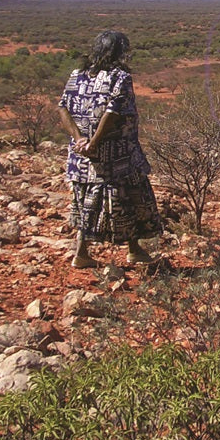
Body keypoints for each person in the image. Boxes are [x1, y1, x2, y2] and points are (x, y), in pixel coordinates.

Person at [57, 30, 162, 269]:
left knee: (87, 202)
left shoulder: (78, 74)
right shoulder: (120, 76)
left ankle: (88, 252)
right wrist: (93, 141)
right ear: (120, 52)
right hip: (118, 156)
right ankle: (129, 250)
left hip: (82, 157)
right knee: (129, 198)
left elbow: (62, 107)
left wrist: (79, 139)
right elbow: (113, 112)